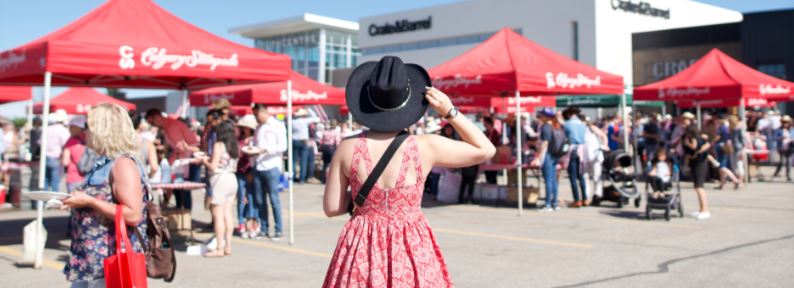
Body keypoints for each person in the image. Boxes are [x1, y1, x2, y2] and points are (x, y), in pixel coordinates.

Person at [322, 56, 495, 287]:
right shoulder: (425, 146)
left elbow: (332, 208)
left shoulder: (347, 148)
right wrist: (449, 111)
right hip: (410, 243)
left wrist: (365, 198)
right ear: (409, 101)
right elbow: (485, 149)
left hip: (361, 245)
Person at [62, 103, 147, 287]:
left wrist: (89, 201)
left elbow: (133, 214)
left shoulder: (122, 164)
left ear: (104, 130)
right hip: (91, 261)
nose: (86, 133)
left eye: (90, 128)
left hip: (110, 261)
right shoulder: (105, 162)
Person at [244, 104, 287, 240]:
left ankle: (278, 229)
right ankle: (263, 228)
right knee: (259, 200)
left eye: (256, 115)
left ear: (262, 112)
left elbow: (283, 146)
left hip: (272, 166)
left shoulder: (277, 125)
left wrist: (264, 150)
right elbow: (257, 144)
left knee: (274, 199)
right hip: (258, 165)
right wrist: (253, 149)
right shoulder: (259, 127)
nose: (256, 119)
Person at [145, 108, 200, 211]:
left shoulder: (171, 126)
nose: (153, 125)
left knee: (181, 188)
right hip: (185, 158)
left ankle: (184, 214)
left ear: (157, 117)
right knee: (179, 188)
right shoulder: (169, 125)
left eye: (152, 122)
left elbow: (181, 147)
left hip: (186, 159)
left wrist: (171, 160)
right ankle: (182, 213)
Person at [201, 121, 239, 257]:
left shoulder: (219, 145)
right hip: (232, 178)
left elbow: (213, 166)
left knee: (218, 216)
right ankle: (228, 246)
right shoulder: (234, 145)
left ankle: (219, 248)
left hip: (220, 179)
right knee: (228, 213)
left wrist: (204, 161)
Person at [532, 108, 562, 212]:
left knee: (548, 180)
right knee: (553, 180)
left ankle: (548, 204)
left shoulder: (546, 127)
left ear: (546, 116)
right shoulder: (556, 126)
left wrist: (538, 157)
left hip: (548, 155)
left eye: (541, 115)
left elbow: (545, 143)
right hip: (555, 155)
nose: (540, 117)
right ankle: (555, 203)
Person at [235, 115, 259, 238]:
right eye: (243, 127)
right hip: (240, 170)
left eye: (247, 127)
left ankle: (252, 221)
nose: (245, 129)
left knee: (251, 198)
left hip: (251, 170)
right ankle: (241, 223)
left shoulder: (255, 139)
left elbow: (255, 155)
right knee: (241, 198)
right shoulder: (238, 139)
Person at [682, 125, 711, 220]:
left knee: (699, 187)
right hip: (695, 163)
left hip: (700, 164)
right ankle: (701, 209)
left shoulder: (698, 140)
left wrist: (687, 144)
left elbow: (695, 148)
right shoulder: (700, 139)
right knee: (696, 186)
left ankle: (705, 210)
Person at [563, 108, 588, 208]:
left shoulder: (567, 124)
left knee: (573, 176)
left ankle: (577, 200)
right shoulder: (582, 124)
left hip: (572, 149)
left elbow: (565, 137)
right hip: (581, 149)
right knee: (581, 175)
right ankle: (585, 199)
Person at [44, 109, 71, 192]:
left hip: (45, 157)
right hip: (56, 158)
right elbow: (67, 144)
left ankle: (44, 202)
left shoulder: (46, 129)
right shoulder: (62, 130)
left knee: (46, 181)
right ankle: (53, 202)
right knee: (55, 182)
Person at [291, 108, 320, 184]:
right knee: (303, 161)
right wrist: (309, 110)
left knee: (293, 161)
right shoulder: (304, 121)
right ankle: (302, 179)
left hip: (294, 141)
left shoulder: (291, 121)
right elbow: (316, 118)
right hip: (303, 141)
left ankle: (293, 178)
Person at [62, 117, 87, 193]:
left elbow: (65, 162)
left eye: (71, 127)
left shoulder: (70, 141)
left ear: (78, 128)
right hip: (88, 179)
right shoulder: (89, 140)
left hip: (73, 178)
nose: (69, 129)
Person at [772, 115, 793, 181]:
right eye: (784, 122)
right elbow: (774, 137)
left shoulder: (792, 130)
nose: (785, 124)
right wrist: (780, 138)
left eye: (786, 122)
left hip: (790, 148)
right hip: (781, 148)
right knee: (782, 161)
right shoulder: (778, 130)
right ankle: (777, 172)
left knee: (789, 162)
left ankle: (788, 175)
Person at [483, 116, 501, 184]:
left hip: (494, 156)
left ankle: (493, 191)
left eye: (485, 124)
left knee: (493, 175)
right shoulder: (485, 133)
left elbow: (497, 144)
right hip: (486, 157)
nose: (485, 126)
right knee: (487, 175)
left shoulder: (495, 133)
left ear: (490, 124)